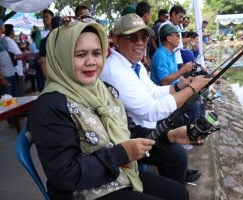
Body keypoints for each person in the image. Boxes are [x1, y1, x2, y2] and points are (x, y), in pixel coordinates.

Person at [27, 19, 189, 200]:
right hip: (81, 192)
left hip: (117, 175)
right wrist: (121, 153)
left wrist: (168, 136)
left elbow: (130, 131)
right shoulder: (49, 105)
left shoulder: (103, 90)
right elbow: (65, 175)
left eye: (97, 53)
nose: (91, 62)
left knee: (180, 193)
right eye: (80, 55)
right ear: (61, 56)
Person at [100, 13, 210, 183]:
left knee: (181, 125)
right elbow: (150, 111)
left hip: (145, 124)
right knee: (176, 154)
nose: (140, 42)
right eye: (132, 37)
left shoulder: (135, 65)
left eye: (143, 36)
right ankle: (176, 177)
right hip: (129, 135)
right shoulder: (114, 70)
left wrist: (179, 87)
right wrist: (192, 88)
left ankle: (177, 173)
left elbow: (152, 91)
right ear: (115, 39)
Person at [3, 24, 25, 96]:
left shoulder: (5, 40)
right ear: (12, 31)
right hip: (16, 71)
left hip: (13, 71)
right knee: (18, 96)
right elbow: (18, 55)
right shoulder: (9, 41)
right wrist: (25, 54)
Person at [0, 19, 17, 97]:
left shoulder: (3, 40)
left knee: (14, 100)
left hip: (11, 74)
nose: (5, 27)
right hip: (5, 77)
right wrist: (0, 78)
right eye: (3, 25)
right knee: (7, 102)